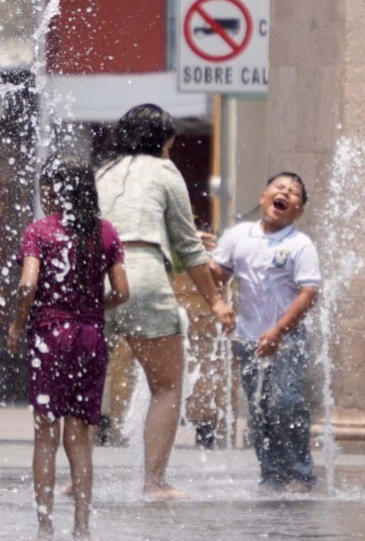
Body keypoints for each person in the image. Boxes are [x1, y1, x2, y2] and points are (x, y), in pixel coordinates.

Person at [95, 103, 235, 500]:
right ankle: (154, 482)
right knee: (167, 386)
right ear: (162, 143)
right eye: (170, 146)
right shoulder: (163, 170)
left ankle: (76, 477)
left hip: (96, 279)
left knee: (87, 383)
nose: (171, 153)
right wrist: (216, 302)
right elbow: (189, 247)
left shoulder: (100, 172)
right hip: (142, 276)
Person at [7, 159, 129, 540]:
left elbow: (28, 285)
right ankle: (82, 528)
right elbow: (123, 292)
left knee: (46, 435)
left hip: (50, 336)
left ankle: (45, 528)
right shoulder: (105, 233)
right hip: (90, 339)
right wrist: (91, 310)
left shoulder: (40, 231)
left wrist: (17, 323)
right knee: (79, 437)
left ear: (52, 191)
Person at [210, 172, 320, 493]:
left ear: (297, 211)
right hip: (248, 340)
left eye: (294, 192)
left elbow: (308, 293)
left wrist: (278, 331)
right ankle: (271, 475)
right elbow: (218, 275)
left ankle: (300, 474)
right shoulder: (239, 235)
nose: (285, 192)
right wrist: (202, 258)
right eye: (279, 187)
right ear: (264, 197)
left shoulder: (300, 244)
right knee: (259, 412)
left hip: (287, 340)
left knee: (286, 404)